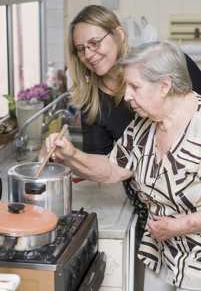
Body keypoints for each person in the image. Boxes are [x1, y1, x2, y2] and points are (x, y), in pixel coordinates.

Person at [46, 41, 201, 291]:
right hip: (162, 254)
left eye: (135, 87)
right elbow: (111, 169)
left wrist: (181, 225)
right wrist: (72, 154)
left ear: (164, 86)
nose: (126, 96)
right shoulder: (144, 125)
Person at [66, 4, 201, 242]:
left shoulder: (168, 64)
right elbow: (109, 166)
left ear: (118, 34)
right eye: (81, 49)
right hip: (153, 212)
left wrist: (186, 222)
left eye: (95, 43)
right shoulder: (97, 106)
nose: (88, 54)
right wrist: (70, 156)